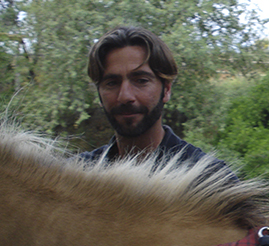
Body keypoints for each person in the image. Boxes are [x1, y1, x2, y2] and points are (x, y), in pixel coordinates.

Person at [79, 26, 232, 175]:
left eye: (141, 81)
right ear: (98, 93)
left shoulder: (208, 179)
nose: (125, 96)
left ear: (166, 89)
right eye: (112, 83)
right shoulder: (78, 177)